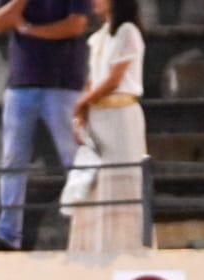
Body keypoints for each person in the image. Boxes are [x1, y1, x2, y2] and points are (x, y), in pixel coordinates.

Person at [0, 0, 91, 250]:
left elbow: (76, 25)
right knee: (13, 161)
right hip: (21, 84)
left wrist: (28, 29)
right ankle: (7, 235)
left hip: (63, 83)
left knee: (75, 160)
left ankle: (88, 228)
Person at [68, 0, 148, 252]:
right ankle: (94, 246)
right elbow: (93, 79)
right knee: (96, 181)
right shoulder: (98, 37)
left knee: (122, 181)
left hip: (121, 116)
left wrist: (82, 102)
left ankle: (127, 247)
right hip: (99, 117)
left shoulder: (128, 32)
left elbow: (114, 79)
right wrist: (83, 113)